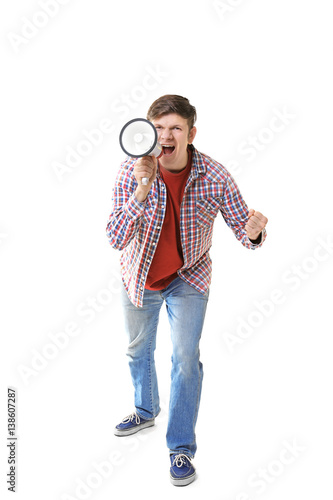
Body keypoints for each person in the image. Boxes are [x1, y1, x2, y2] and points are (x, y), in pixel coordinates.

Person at [106, 95, 268, 486]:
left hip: (189, 278)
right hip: (138, 277)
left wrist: (254, 232)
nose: (166, 135)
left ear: (191, 134)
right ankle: (145, 410)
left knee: (184, 357)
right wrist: (142, 191)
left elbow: (243, 229)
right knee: (137, 349)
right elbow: (114, 237)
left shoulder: (214, 175)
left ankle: (180, 448)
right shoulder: (132, 172)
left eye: (175, 128)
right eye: (158, 128)